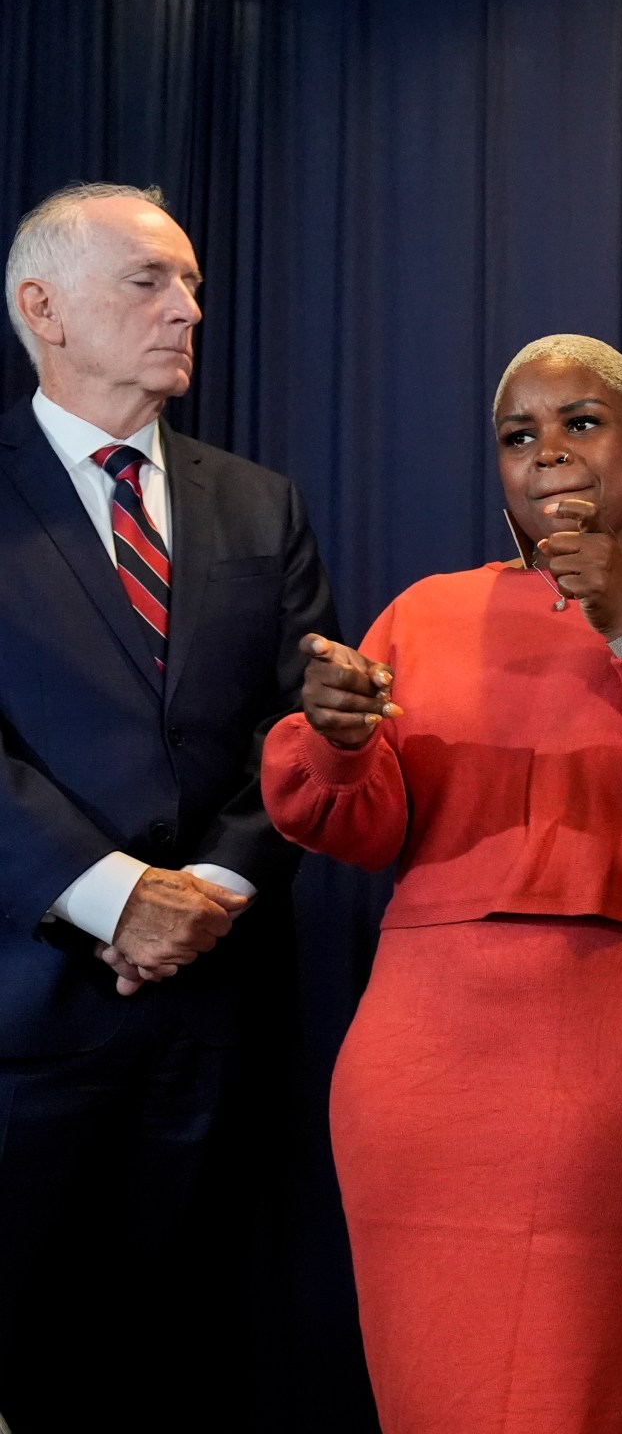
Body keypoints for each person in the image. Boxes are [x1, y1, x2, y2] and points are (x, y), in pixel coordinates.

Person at [261, 334, 622, 1433]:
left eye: (581, 423)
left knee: (597, 1390)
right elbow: (358, 819)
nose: (549, 455)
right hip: (425, 1068)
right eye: (518, 437)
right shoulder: (428, 611)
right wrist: (336, 738)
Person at [0, 182, 337, 1432]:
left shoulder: (261, 503)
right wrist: (113, 899)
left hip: (221, 1017)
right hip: (26, 1018)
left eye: (190, 282)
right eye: (150, 282)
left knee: (201, 1373)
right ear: (44, 308)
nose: (188, 307)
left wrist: (211, 894)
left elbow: (302, 730)